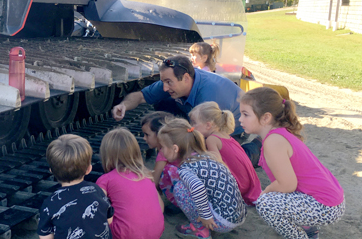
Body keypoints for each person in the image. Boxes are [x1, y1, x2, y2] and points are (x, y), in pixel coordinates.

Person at [239, 87, 345, 239]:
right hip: (329, 201)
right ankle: (308, 230)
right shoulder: (278, 134)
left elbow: (287, 185)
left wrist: (266, 191)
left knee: (266, 203)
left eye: (245, 114)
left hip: (326, 207)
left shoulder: (274, 141)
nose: (240, 119)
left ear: (265, 118)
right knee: (274, 198)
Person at [111, 54, 262, 166]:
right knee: (164, 102)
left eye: (169, 82)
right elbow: (141, 96)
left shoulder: (208, 95)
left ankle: (255, 147)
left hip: (230, 129)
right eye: (163, 82)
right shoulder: (173, 82)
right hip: (200, 119)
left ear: (186, 78)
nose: (164, 87)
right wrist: (124, 105)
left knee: (221, 164)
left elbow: (200, 138)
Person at [37, 134, 118, 239]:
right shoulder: (98, 191)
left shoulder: (51, 201)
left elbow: (45, 238)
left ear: (52, 171)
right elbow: (109, 220)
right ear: (88, 168)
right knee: (102, 230)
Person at [158, 118, 247, 239]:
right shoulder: (206, 156)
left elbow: (198, 188)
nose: (160, 151)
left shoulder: (186, 168)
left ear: (175, 148)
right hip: (237, 215)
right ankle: (212, 219)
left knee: (180, 189)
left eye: (162, 147)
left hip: (223, 222)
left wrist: (205, 216)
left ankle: (200, 230)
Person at [96, 128, 164, 239]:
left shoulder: (105, 180)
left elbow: (97, 210)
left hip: (126, 235)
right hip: (156, 232)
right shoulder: (146, 174)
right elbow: (161, 207)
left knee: (106, 208)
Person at [189, 102, 261, 206]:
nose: (192, 126)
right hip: (248, 183)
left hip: (237, 186)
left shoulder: (212, 139)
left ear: (208, 125)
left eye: (194, 122)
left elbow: (216, 163)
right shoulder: (226, 136)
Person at [140, 111, 179, 205]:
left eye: (147, 134)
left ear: (159, 134)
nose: (144, 138)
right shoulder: (174, 145)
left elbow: (155, 180)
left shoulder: (163, 152)